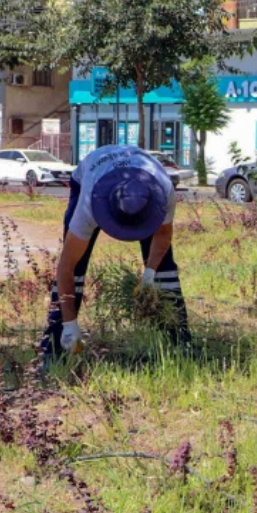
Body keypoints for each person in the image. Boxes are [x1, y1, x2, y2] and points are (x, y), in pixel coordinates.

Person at [40, 144, 190, 358]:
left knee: (164, 267)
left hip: (140, 176)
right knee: (77, 267)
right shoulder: (89, 205)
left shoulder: (163, 190)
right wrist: (70, 323)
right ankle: (55, 346)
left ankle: (178, 342)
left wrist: (149, 275)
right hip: (90, 174)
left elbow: (163, 235)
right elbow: (66, 266)